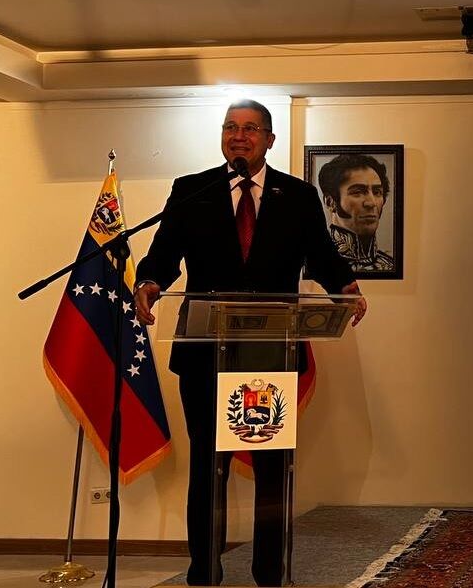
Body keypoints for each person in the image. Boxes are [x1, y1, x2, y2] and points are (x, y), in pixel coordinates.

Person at [132, 99, 366, 587]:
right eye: (231, 127)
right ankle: (204, 571)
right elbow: (163, 253)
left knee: (272, 467)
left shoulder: (297, 195)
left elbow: (322, 254)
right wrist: (149, 282)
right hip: (203, 354)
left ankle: (270, 572)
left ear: (269, 140)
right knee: (206, 466)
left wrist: (345, 287)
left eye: (251, 128)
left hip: (269, 353)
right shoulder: (192, 190)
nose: (239, 136)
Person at [318, 154, 394, 271]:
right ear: (330, 202)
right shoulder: (317, 263)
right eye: (357, 192)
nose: (371, 203)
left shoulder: (390, 265)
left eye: (377, 192)